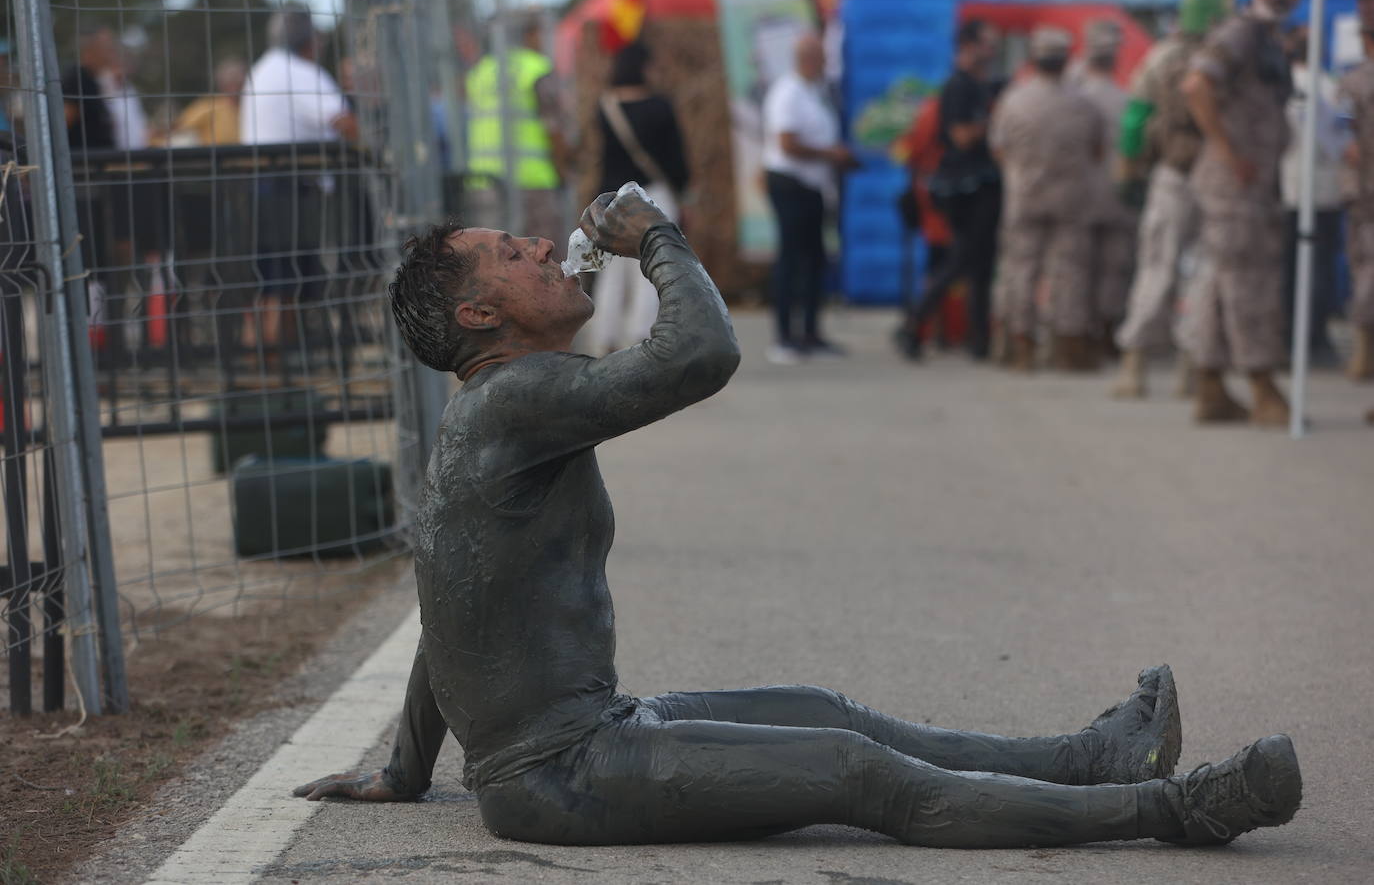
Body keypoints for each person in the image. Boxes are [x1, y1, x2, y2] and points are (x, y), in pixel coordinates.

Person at [293, 189, 1303, 849]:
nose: (544, 250)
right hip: (559, 774)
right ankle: (1173, 809)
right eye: (515, 254)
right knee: (855, 772)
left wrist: (405, 769)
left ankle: (1096, 756)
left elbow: (447, 603)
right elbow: (701, 355)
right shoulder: (516, 396)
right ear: (481, 318)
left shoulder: (493, 407)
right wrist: (659, 244)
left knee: (836, 714)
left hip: (587, 733)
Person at [1181, 0, 1300, 426]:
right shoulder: (1242, 33)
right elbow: (1196, 85)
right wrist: (1228, 152)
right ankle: (1262, 383)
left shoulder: (1269, 39)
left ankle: (1210, 384)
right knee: (1249, 282)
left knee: (1218, 285)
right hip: (1235, 184)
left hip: (1247, 182)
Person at [1111, 0, 1233, 400]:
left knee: (1157, 267)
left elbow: (1135, 118)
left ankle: (1135, 365)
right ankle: (1191, 369)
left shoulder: (1162, 57)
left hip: (1173, 175)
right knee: (1203, 275)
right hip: (1218, 179)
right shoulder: (1230, 60)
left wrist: (1127, 170)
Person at [239, 5, 358, 354]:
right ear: (309, 38)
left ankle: (269, 370)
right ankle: (281, 375)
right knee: (285, 281)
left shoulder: (261, 69)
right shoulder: (300, 72)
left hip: (264, 183)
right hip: (291, 186)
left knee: (271, 280)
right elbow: (343, 122)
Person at [990, 26, 1105, 372]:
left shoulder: (1013, 99)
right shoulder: (1083, 103)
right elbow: (1097, 151)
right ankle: (1067, 347)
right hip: (1070, 197)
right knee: (1069, 271)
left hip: (1025, 194)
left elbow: (998, 148)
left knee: (1021, 268)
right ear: (1066, 59)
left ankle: (1020, 345)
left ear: (1033, 59)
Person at [905, 19, 1003, 362]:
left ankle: (979, 341)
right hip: (966, 190)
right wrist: (996, 123)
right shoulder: (959, 87)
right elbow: (961, 135)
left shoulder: (980, 85)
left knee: (979, 265)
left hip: (980, 188)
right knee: (960, 261)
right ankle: (915, 326)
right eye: (987, 43)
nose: (992, 51)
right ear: (969, 47)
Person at [587, 41, 691, 354]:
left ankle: (605, 334)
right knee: (651, 265)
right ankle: (640, 334)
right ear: (644, 67)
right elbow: (675, 159)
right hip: (654, 193)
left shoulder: (605, 106)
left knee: (612, 269)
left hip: (612, 196)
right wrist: (685, 192)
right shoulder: (660, 106)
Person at [762, 32, 856, 364]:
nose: (826, 64)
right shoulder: (787, 92)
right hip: (790, 184)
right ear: (807, 59)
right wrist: (830, 154)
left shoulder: (815, 92)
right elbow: (787, 143)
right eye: (822, 58)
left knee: (815, 259)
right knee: (791, 260)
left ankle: (811, 333)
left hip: (813, 186)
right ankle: (785, 337)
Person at [465, 13, 570, 249]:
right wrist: (563, 170)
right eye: (539, 33)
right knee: (544, 259)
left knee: (497, 260)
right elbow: (554, 128)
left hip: (485, 184)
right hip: (533, 183)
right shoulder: (536, 68)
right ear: (528, 35)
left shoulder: (481, 71)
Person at [1280, 27, 1344, 367]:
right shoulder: (1333, 87)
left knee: (1293, 268)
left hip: (1291, 190)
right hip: (1323, 192)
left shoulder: (1285, 85)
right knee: (1316, 267)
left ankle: (1295, 335)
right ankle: (1313, 336)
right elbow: (1344, 134)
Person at [1074, 20, 1137, 356]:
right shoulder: (1124, 98)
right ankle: (1105, 333)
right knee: (1112, 268)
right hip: (1114, 194)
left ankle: (1078, 335)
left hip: (1080, 196)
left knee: (1080, 268)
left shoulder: (1072, 93)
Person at [892, 95, 957, 359]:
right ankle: (927, 327)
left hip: (934, 201)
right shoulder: (936, 110)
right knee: (947, 267)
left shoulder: (929, 110)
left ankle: (930, 327)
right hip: (943, 205)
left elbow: (903, 152)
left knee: (940, 266)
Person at [1340, 0, 1374, 383]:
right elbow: (1338, 131)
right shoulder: (1351, 79)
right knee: (1364, 267)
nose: (1365, 4)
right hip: (1363, 192)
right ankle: (1365, 348)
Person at [171, 58, 246, 146]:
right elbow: (178, 130)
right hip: (216, 157)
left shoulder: (251, 107)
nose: (236, 89)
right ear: (221, 84)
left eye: (240, 83)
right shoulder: (208, 107)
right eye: (231, 83)